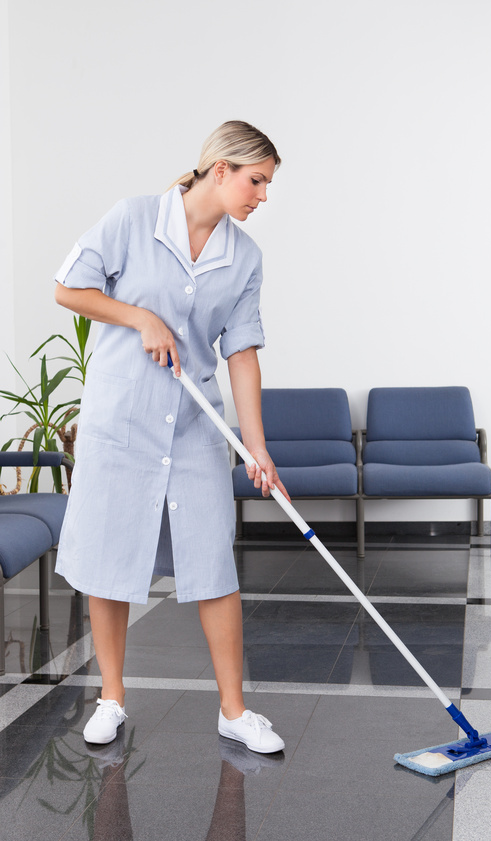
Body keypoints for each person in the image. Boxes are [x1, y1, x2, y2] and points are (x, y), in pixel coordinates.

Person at [53, 120, 289, 754]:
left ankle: (234, 712)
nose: (262, 196)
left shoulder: (245, 258)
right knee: (110, 561)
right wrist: (141, 317)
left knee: (213, 562)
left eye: (266, 184)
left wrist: (257, 447)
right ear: (220, 170)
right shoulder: (133, 220)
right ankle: (110, 697)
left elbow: (241, 354)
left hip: (192, 426)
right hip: (120, 420)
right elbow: (67, 288)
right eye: (256, 180)